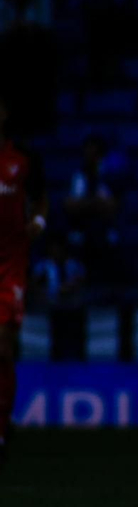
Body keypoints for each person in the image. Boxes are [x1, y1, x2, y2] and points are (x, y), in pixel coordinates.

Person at [0, 97, 46, 468]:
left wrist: (39, 223)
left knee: (3, 348)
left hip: (10, 268)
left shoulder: (23, 160)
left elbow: (43, 198)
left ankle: (2, 425)